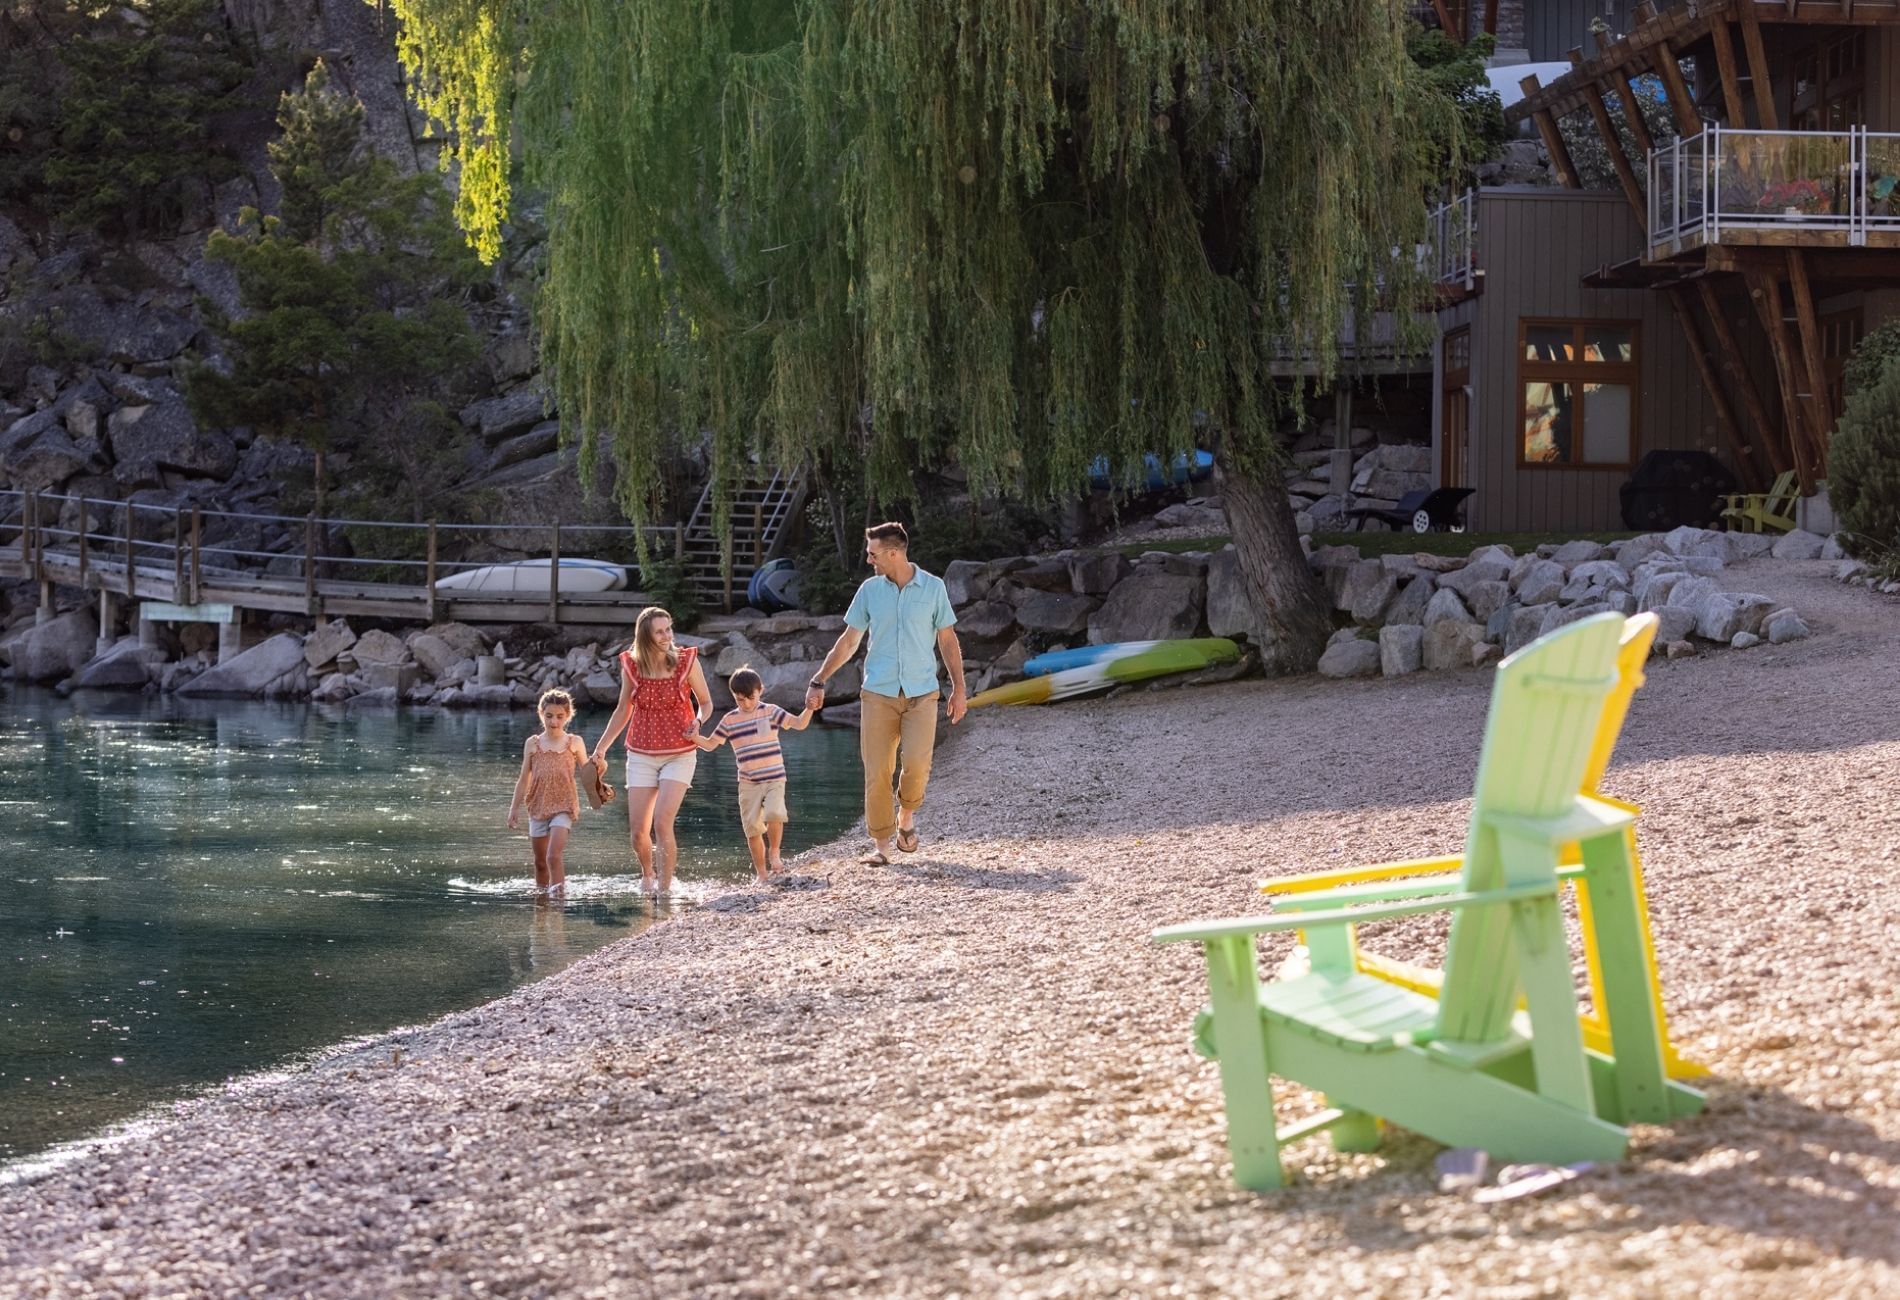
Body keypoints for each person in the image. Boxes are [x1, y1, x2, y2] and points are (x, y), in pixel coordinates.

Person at [805, 522, 966, 866]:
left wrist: (959, 689)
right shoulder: (869, 591)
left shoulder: (933, 588)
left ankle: (906, 815)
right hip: (878, 693)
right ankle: (881, 846)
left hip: (922, 693)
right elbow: (849, 641)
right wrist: (819, 679)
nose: (869, 559)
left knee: (917, 764)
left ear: (893, 553)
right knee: (877, 771)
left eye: (872, 553)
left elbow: (948, 640)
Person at [589, 606, 713, 895]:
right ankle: (648, 872)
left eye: (668, 629)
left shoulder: (687, 661)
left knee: (662, 821)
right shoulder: (632, 666)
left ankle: (665, 893)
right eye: (660, 631)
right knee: (637, 833)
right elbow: (623, 710)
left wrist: (698, 721)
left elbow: (706, 703)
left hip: (680, 752)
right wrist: (600, 749)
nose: (667, 635)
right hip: (641, 754)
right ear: (645, 636)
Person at [687, 665, 816, 883]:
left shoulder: (771, 711)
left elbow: (799, 723)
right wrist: (694, 738)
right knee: (753, 829)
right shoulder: (730, 720)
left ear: (760, 691)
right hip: (748, 782)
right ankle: (761, 874)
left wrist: (809, 709)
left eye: (750, 698)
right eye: (740, 699)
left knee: (775, 813)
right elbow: (710, 744)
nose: (746, 703)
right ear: (733, 696)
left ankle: (774, 852)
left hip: (774, 777)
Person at [506, 688, 589, 896]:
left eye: (560, 716)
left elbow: (588, 774)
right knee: (540, 862)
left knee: (553, 856)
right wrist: (514, 808)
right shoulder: (532, 744)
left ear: (568, 715)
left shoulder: (574, 742)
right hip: (538, 806)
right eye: (549, 716)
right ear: (541, 713)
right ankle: (542, 906)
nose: (554, 721)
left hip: (564, 805)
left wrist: (600, 777)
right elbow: (524, 778)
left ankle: (558, 902)